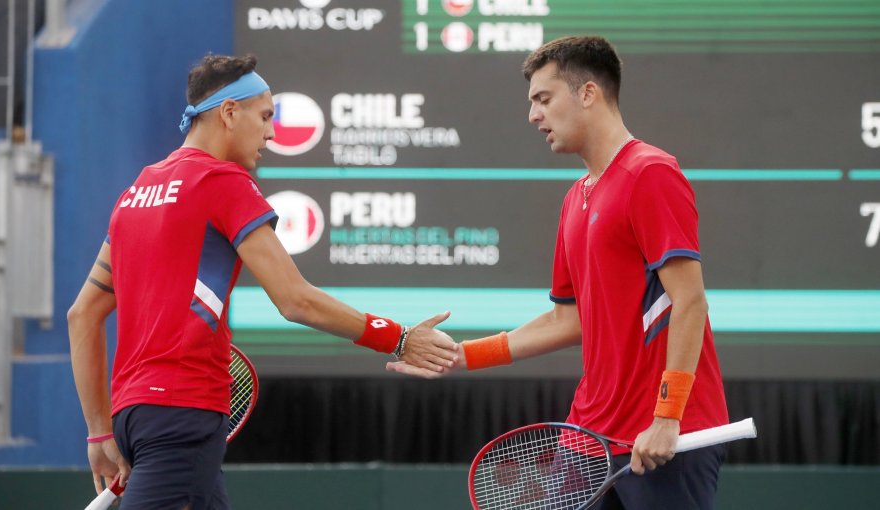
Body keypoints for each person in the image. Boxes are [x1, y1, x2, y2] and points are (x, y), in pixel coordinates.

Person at [67, 54, 458, 510]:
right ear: (230, 113)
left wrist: (99, 431)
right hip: (182, 411)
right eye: (266, 116)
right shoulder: (224, 181)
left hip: (133, 415)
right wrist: (399, 338)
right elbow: (296, 301)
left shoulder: (135, 193)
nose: (272, 133)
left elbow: (82, 316)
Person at [388, 36, 729, 509]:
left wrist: (667, 416)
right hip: (587, 434)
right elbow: (566, 321)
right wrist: (463, 355)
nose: (533, 115)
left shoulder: (650, 173)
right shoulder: (576, 198)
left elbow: (689, 301)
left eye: (543, 99)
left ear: (587, 93)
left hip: (665, 437)